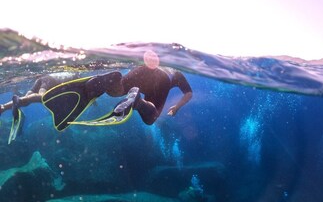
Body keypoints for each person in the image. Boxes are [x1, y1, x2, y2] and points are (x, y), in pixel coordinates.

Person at [2, 65, 193, 132]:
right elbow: (189, 93)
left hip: (143, 70)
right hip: (161, 80)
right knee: (150, 117)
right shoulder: (177, 74)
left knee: (117, 89)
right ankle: (137, 102)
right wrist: (176, 107)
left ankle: (109, 80)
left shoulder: (154, 62)